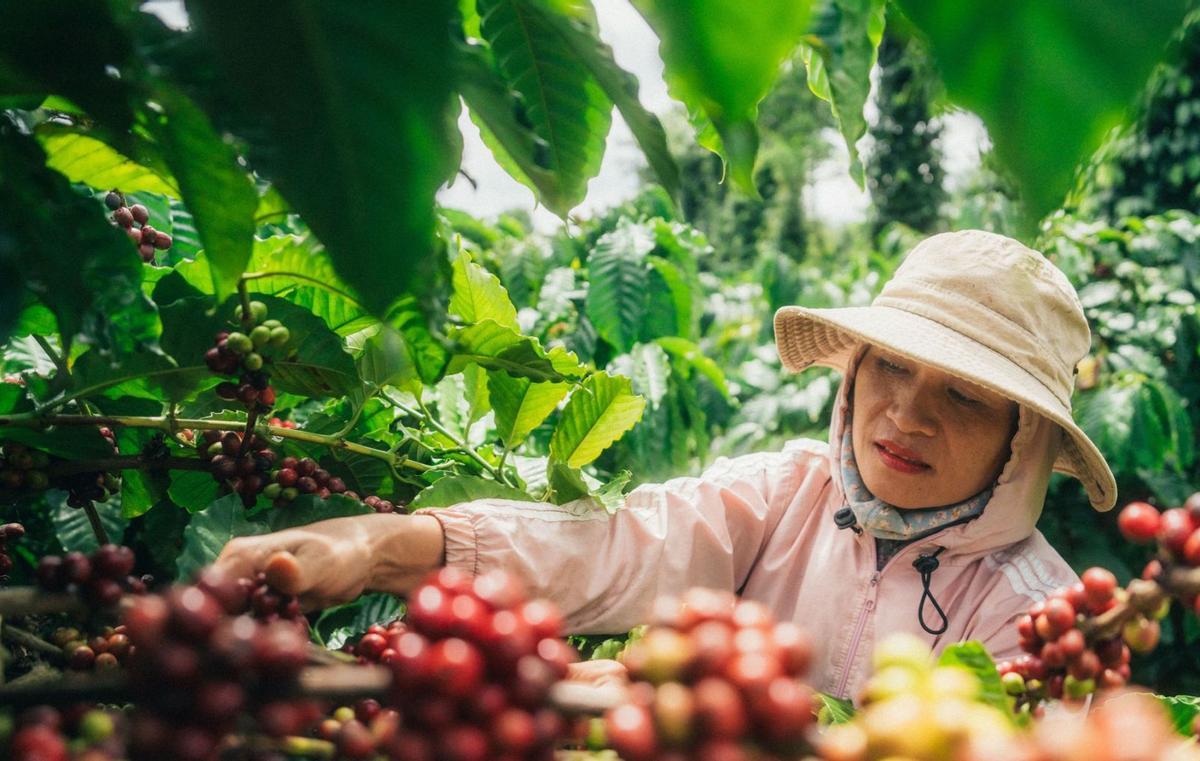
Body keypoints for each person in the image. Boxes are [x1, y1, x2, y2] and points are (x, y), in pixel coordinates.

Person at [214, 230, 1117, 699]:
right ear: (853, 371)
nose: (906, 413)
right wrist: (373, 547)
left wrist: (706, 699)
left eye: (963, 395)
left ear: (1021, 440)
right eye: (892, 365)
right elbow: (609, 542)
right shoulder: (786, 494)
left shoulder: (1036, 618)